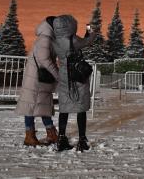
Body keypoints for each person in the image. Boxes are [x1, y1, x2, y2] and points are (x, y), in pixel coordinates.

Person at [52, 15, 95, 152]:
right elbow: (88, 41)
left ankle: (61, 138)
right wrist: (90, 28)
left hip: (64, 75)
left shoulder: (55, 41)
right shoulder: (73, 39)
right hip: (76, 75)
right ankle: (82, 139)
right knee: (80, 107)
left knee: (64, 108)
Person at [15, 16, 59, 146]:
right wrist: (57, 75)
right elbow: (45, 60)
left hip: (40, 80)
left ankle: (51, 133)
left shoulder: (47, 39)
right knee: (31, 107)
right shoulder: (44, 40)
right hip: (36, 80)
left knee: (42, 107)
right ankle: (30, 135)